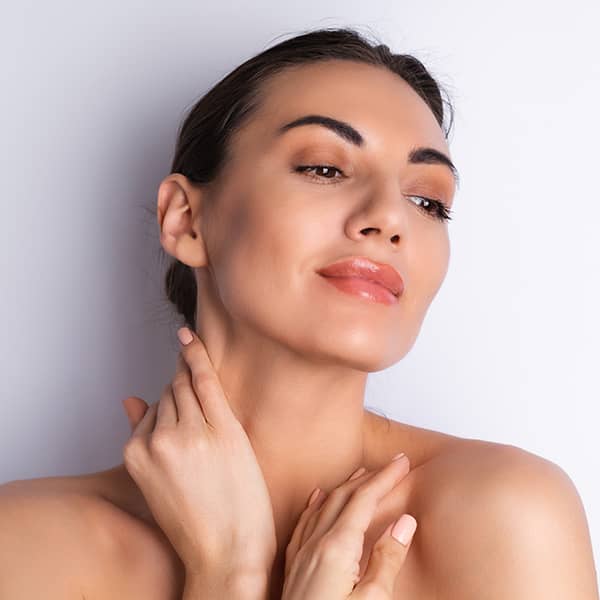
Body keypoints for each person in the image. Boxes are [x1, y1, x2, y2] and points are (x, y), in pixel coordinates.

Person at [1, 26, 598, 600]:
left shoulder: (505, 517)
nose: (390, 218)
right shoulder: (23, 544)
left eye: (427, 200)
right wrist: (227, 574)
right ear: (185, 219)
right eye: (325, 168)